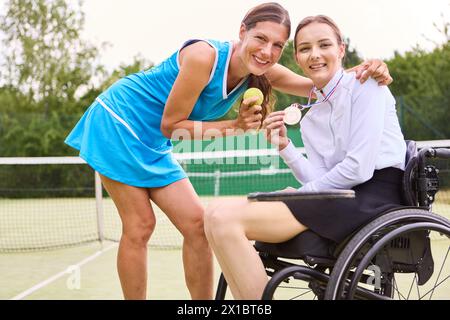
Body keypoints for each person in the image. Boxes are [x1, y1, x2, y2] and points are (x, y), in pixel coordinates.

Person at [65, 3, 392, 300]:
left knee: (197, 224)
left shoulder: (262, 69)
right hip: (118, 121)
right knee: (140, 226)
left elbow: (320, 81)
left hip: (152, 142)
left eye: (277, 45)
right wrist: (235, 126)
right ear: (241, 32)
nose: (267, 51)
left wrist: (369, 71)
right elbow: (171, 125)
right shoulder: (203, 57)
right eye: (260, 39)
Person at [203, 14, 406, 300]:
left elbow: (358, 169)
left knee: (225, 219)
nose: (315, 55)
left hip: (374, 198)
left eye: (324, 45)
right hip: (336, 197)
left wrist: (301, 194)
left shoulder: (366, 85)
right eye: (305, 48)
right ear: (297, 58)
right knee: (212, 215)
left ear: (341, 49)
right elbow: (320, 178)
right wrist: (285, 148)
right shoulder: (311, 114)